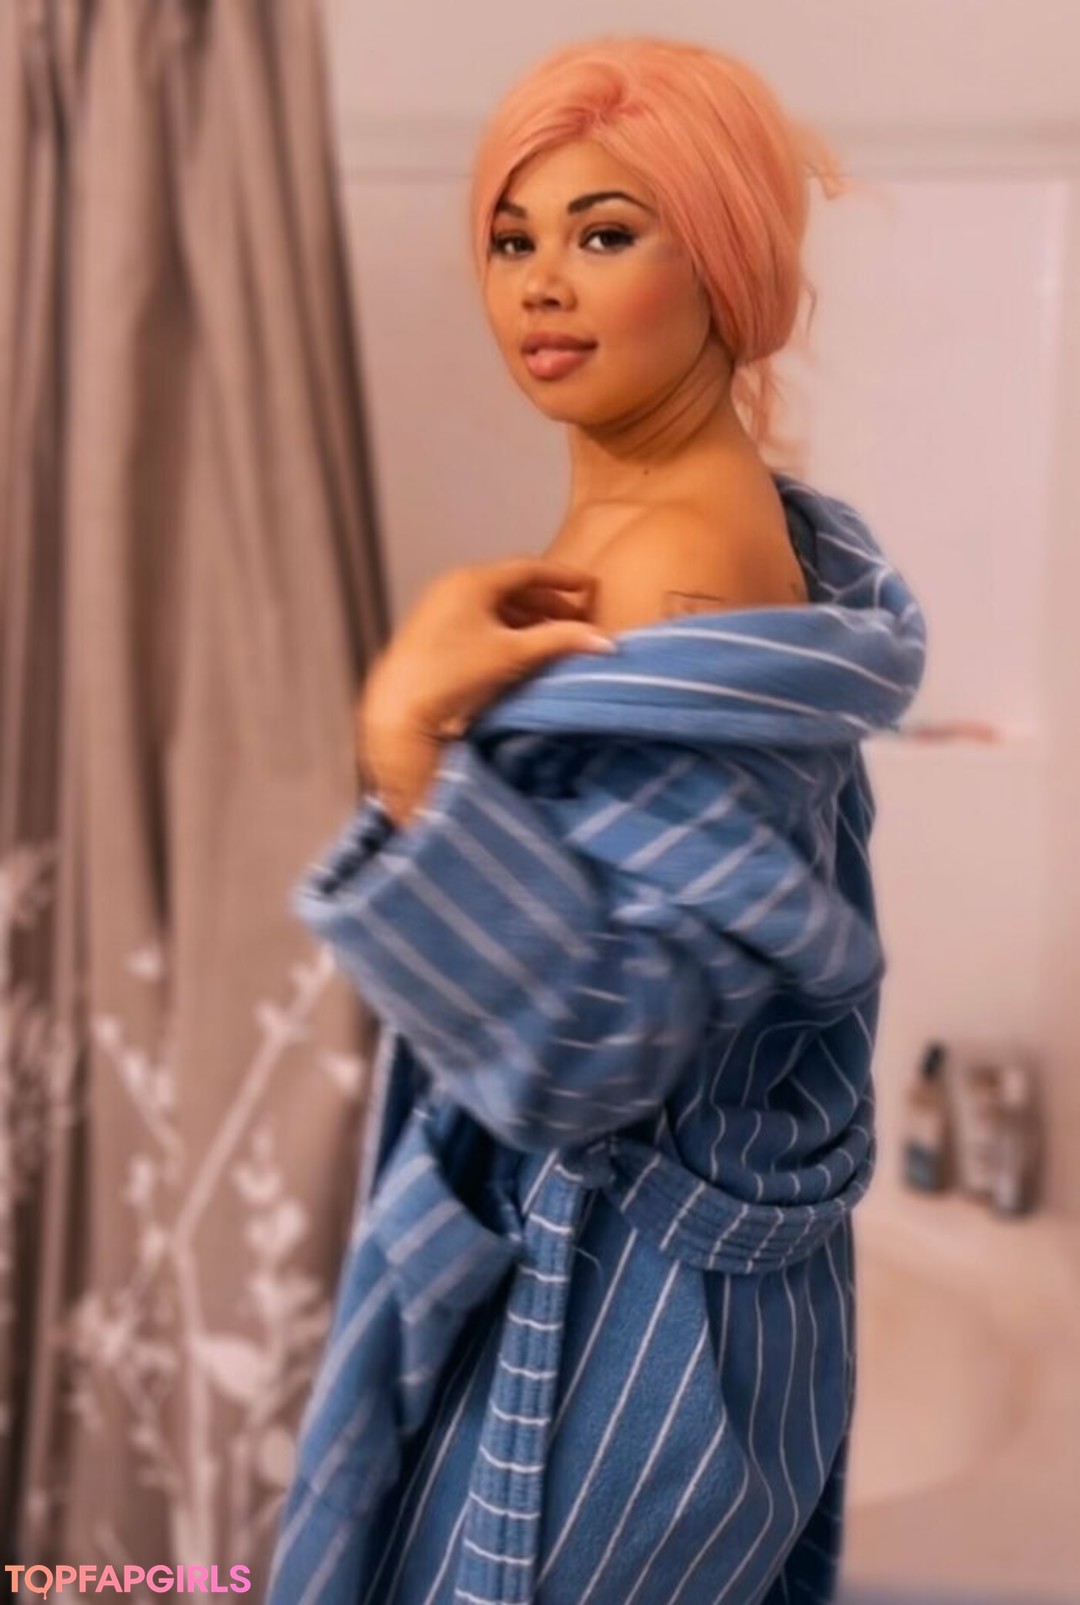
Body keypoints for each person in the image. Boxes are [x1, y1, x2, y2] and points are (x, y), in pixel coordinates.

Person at [267, 35, 927, 1605]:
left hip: (612, 1318)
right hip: (668, 1294)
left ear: (721, 260)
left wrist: (406, 747)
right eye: (514, 239)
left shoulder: (673, 564)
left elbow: (596, 1042)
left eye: (605, 233)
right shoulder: (698, 506)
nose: (542, 284)